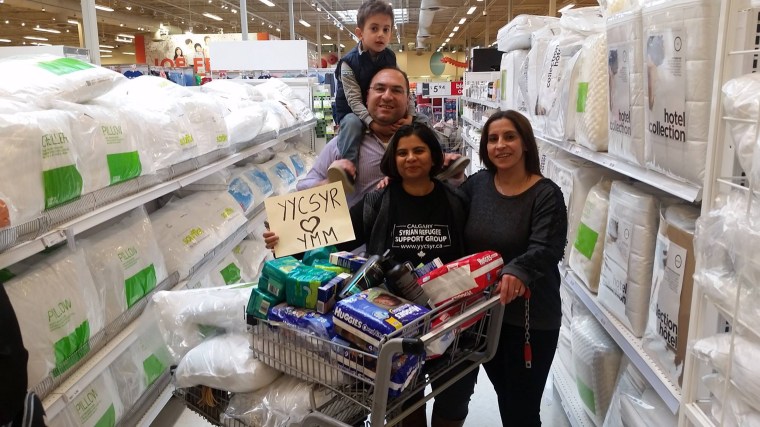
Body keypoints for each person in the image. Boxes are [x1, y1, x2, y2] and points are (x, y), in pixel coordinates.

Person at [265, 124, 476, 427]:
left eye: (419, 150)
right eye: (402, 152)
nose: (410, 158)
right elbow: (334, 235)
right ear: (393, 160)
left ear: (433, 157)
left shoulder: (456, 201)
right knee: (404, 401)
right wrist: (283, 238)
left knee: (453, 399)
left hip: (450, 319)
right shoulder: (379, 201)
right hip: (391, 322)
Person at [459, 110, 567, 427]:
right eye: (492, 139)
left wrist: (516, 270)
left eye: (509, 137)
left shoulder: (546, 194)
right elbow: (448, 213)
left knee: (522, 408)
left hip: (531, 320)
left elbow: (548, 247)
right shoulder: (477, 185)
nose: (500, 145)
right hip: (486, 316)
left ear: (525, 144)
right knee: (506, 396)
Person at [298, 66, 464, 207]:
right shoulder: (343, 144)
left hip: (412, 240)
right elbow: (302, 193)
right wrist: (330, 184)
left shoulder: (424, 145)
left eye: (396, 90)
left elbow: (452, 199)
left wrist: (455, 177)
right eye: (379, 89)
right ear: (366, 97)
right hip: (358, 244)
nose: (386, 96)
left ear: (408, 100)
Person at [328, 0, 420, 193]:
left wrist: (410, 115)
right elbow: (353, 100)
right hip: (352, 110)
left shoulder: (389, 57)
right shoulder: (348, 63)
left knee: (422, 120)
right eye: (374, 28)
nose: (381, 34)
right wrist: (371, 123)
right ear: (360, 33)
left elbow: (400, 85)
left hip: (377, 108)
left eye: (386, 30)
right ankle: (348, 169)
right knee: (353, 125)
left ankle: (440, 159)